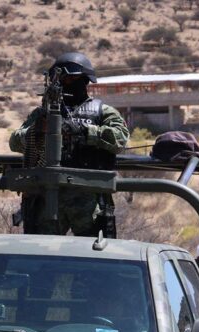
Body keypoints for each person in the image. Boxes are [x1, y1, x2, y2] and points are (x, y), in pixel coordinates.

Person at [9, 52, 129, 236]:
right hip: (48, 195)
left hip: (88, 194)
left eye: (71, 78)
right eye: (61, 78)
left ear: (85, 80)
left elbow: (120, 139)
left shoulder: (102, 112)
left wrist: (85, 131)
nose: (65, 82)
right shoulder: (43, 113)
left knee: (93, 254)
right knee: (42, 254)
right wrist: (37, 130)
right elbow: (15, 141)